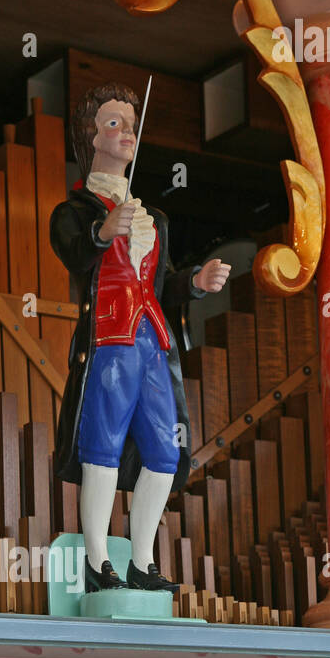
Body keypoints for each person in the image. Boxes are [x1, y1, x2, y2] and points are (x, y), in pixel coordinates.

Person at [50, 83, 230, 593]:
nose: (127, 132)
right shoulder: (76, 212)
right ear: (91, 136)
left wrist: (194, 283)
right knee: (101, 446)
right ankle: (98, 558)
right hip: (109, 338)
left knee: (164, 451)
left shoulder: (156, 219)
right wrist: (103, 232)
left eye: (130, 124)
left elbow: (162, 282)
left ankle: (143, 560)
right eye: (113, 123)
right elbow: (75, 252)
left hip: (152, 340)